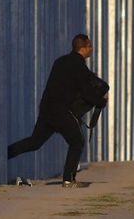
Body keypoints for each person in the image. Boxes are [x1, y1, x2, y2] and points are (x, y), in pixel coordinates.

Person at [7, 34, 108, 188]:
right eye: (90, 46)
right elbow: (87, 92)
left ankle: (4, 155)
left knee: (34, 142)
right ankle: (68, 179)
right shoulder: (78, 66)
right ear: (83, 48)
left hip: (47, 108)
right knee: (76, 141)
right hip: (61, 111)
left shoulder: (60, 61)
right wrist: (101, 100)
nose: (91, 49)